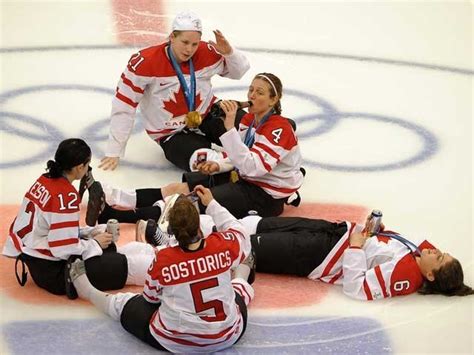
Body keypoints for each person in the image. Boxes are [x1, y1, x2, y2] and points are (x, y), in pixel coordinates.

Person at [95, 72, 304, 222]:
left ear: (273, 99)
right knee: (177, 189)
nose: (252, 96)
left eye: (260, 93)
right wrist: (219, 166)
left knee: (189, 205)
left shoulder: (279, 129)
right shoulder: (249, 119)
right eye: (251, 90)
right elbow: (239, 156)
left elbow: (252, 167)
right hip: (245, 179)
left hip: (265, 195)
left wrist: (228, 129)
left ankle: (115, 215)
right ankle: (114, 196)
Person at [68, 186, 255, 353]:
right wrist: (212, 203)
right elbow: (239, 232)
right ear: (199, 226)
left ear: (172, 230)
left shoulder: (164, 259)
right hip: (228, 334)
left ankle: (88, 292)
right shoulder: (222, 245)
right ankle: (243, 274)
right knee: (232, 292)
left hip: (177, 340)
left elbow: (151, 298)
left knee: (125, 303)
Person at [133, 211, 473, 301]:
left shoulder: (405, 277)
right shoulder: (416, 253)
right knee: (254, 223)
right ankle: (169, 219)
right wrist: (372, 229)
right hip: (332, 232)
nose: (434, 250)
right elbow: (381, 242)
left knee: (246, 244)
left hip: (318, 255)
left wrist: (355, 247)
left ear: (430, 276)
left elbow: (357, 288)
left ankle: (169, 242)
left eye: (439, 258)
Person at [2, 139, 155, 297]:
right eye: (87, 164)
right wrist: (94, 243)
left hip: (38, 262)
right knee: (140, 267)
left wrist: (87, 233)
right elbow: (63, 248)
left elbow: (47, 229)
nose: (89, 168)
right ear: (79, 167)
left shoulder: (44, 180)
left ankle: (163, 251)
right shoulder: (66, 196)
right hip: (57, 273)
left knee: (134, 249)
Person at [99, 10, 250, 171]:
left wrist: (229, 53)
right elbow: (124, 105)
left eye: (194, 44)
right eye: (185, 42)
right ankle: (242, 166)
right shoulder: (145, 62)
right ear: (172, 37)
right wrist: (114, 150)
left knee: (254, 133)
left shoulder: (206, 52)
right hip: (170, 133)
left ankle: (247, 163)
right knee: (207, 165)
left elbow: (237, 73)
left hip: (208, 114)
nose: (189, 49)